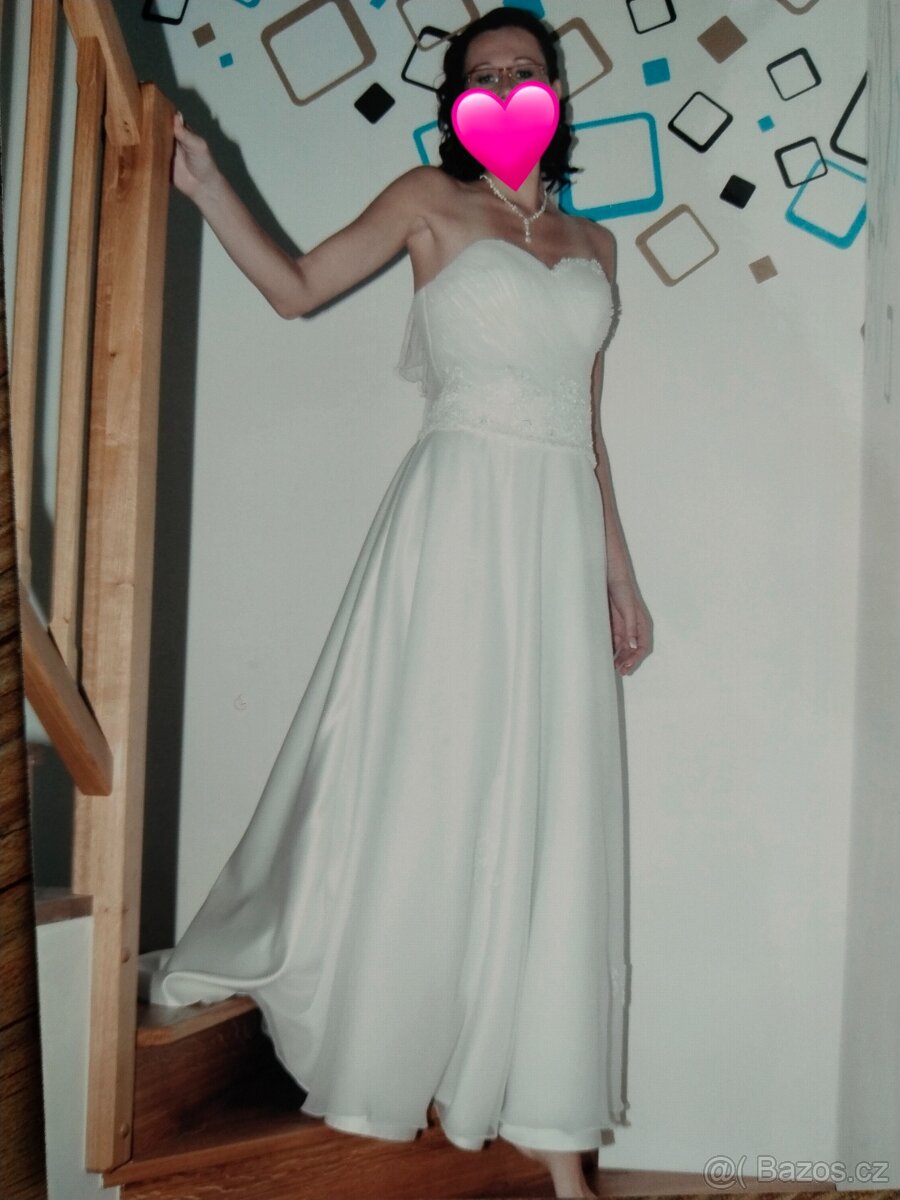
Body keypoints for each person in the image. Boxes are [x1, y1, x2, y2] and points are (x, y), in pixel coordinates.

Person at [139, 8, 652, 1198]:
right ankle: (395, 1042)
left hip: (557, 531)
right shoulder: (429, 198)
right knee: (436, 770)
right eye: (485, 75)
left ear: (556, 90)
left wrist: (619, 573)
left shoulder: (595, 243)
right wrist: (207, 185)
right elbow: (297, 288)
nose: (508, 85)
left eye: (526, 70)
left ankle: (558, 1148)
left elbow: (586, 424)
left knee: (551, 804)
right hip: (458, 521)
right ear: (457, 101)